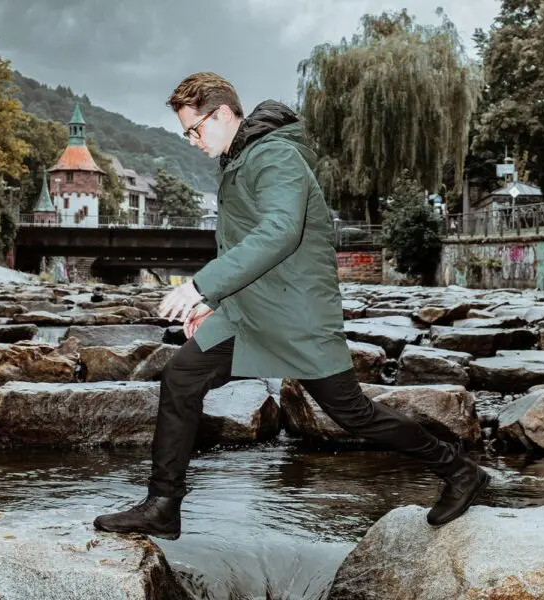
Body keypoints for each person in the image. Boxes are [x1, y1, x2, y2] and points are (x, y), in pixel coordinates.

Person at [93, 72, 489, 540]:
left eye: (194, 129)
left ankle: (460, 472)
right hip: (249, 314)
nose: (192, 140)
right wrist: (215, 302)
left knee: (352, 413)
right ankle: (163, 505)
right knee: (181, 377)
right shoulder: (240, 158)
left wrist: (199, 287)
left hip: (296, 315)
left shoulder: (275, 156)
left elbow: (278, 232)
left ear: (221, 114)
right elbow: (244, 245)